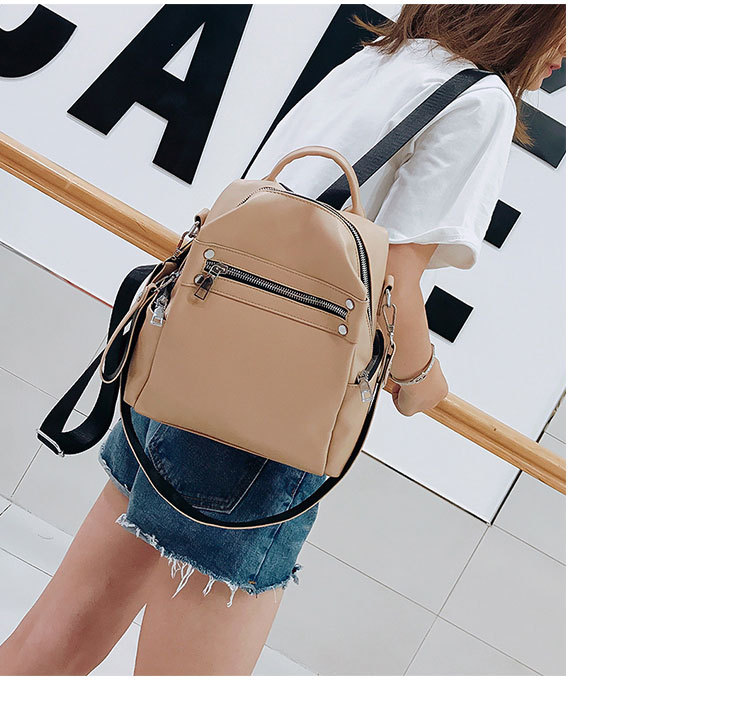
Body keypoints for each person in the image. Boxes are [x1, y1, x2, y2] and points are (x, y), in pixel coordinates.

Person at [0, 4, 565, 675]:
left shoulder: (391, 56)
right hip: (265, 419)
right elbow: (392, 283)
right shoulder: (481, 101)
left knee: (49, 648)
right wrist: (421, 380)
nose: (565, 57)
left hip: (184, 358)